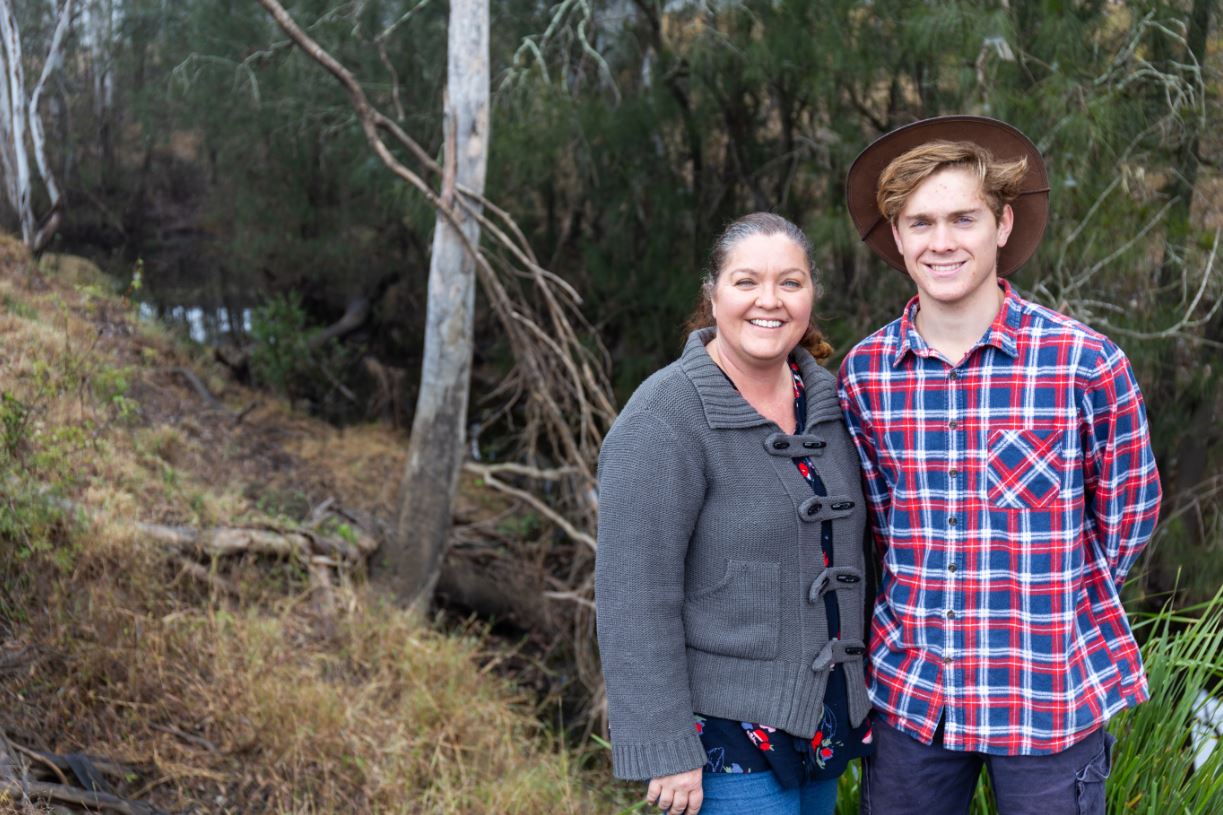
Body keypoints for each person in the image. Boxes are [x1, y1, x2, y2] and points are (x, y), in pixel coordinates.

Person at [838, 116, 1162, 815]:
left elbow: (1128, 514)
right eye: (920, 223)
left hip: (1046, 693)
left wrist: (1052, 610)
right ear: (897, 236)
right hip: (913, 693)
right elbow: (873, 528)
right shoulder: (865, 374)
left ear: (1002, 224)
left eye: (963, 218)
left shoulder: (1083, 363)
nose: (942, 241)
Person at [595, 212, 873, 815]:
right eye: (746, 281)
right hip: (722, 736)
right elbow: (633, 596)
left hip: (821, 719)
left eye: (790, 282)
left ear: (811, 296)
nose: (769, 300)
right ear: (713, 293)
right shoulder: (664, 416)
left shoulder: (829, 405)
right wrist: (666, 746)